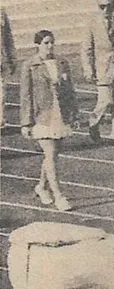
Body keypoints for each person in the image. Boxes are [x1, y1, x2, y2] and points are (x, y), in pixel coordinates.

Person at [20, 30, 78, 212]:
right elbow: (26, 96)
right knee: (51, 154)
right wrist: (26, 123)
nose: (50, 46)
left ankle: (41, 187)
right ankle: (59, 195)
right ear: (37, 45)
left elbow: (70, 91)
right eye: (46, 43)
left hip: (60, 113)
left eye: (52, 42)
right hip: (42, 116)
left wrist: (74, 114)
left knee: (52, 155)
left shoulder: (62, 63)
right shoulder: (30, 65)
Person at [81, 0, 114, 143]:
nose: (106, 10)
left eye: (109, 6)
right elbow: (86, 50)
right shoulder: (92, 25)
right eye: (102, 7)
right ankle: (93, 122)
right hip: (103, 70)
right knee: (105, 101)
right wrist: (88, 69)